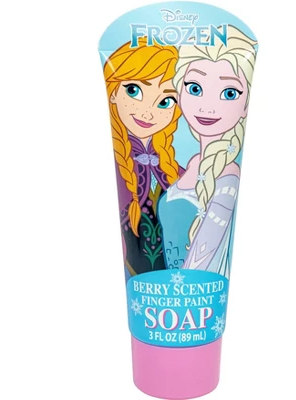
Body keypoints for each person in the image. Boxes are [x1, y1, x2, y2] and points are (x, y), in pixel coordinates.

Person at [158, 26, 257, 278]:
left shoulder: (227, 176)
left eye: (229, 93)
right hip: (163, 290)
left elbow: (203, 256)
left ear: (245, 105)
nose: (208, 107)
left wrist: (180, 291)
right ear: (179, 91)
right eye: (195, 88)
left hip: (194, 290)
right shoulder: (193, 163)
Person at [103, 38, 184, 277]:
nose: (148, 112)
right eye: (134, 90)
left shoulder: (176, 170)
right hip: (137, 279)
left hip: (178, 277)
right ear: (113, 92)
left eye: (165, 101)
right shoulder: (119, 165)